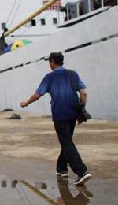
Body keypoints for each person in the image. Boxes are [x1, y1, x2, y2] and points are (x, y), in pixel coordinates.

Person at [21, 52, 92, 186]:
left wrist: (26, 103)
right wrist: (81, 111)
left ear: (53, 61)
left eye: (50, 62)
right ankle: (62, 169)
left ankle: (82, 172)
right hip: (72, 113)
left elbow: (37, 94)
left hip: (60, 115)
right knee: (66, 141)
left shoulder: (49, 77)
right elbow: (84, 93)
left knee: (66, 143)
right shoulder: (73, 74)